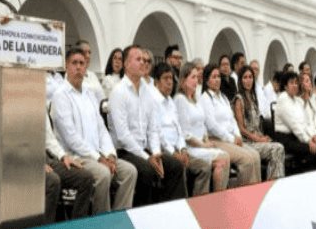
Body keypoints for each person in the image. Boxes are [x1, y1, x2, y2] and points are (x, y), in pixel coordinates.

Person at [51, 48, 136, 214]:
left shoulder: (89, 94)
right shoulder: (60, 95)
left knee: (129, 172)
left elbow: (101, 129)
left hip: (99, 154)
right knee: (103, 174)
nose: (78, 67)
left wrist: (110, 154)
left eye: (81, 63)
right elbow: (71, 138)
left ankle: (119, 218)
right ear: (66, 66)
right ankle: (101, 222)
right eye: (74, 63)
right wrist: (99, 158)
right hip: (77, 157)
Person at [108, 45, 186, 206]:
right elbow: (123, 136)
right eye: (138, 59)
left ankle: (169, 211)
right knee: (147, 171)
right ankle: (143, 217)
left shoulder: (147, 92)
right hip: (125, 151)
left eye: (144, 60)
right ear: (126, 64)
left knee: (175, 166)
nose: (143, 63)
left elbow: (153, 128)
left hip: (146, 150)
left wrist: (156, 153)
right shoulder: (118, 92)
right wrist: (148, 158)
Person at [152, 62, 213, 196]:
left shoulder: (171, 102)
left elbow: (179, 131)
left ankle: (200, 204)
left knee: (204, 166)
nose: (169, 83)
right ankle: (183, 205)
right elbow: (158, 133)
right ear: (156, 81)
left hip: (179, 149)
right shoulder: (153, 102)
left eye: (171, 79)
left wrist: (183, 149)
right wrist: (174, 153)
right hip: (164, 150)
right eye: (165, 78)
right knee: (180, 167)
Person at [200, 63, 262, 186]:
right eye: (213, 77)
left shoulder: (223, 97)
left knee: (255, 156)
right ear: (207, 81)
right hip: (217, 140)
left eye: (218, 76)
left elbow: (232, 120)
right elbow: (212, 125)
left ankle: (256, 194)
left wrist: (237, 136)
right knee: (247, 160)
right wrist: (231, 138)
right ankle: (243, 195)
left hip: (231, 139)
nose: (217, 80)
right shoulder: (205, 98)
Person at [175, 62, 230, 191]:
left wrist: (206, 140)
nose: (196, 81)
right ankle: (215, 198)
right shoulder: (180, 99)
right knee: (223, 158)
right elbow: (185, 134)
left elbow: (203, 125)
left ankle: (218, 197)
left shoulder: (195, 99)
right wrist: (203, 145)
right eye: (192, 77)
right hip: (191, 148)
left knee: (223, 158)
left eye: (196, 77)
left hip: (201, 145)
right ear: (183, 79)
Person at [233, 65, 285, 180]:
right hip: (247, 142)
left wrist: (262, 137)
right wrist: (258, 139)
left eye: (250, 77)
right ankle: (272, 185)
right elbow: (241, 129)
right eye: (245, 77)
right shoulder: (238, 99)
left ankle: (276, 182)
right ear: (240, 80)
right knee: (276, 149)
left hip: (257, 139)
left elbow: (256, 124)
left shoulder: (253, 97)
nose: (248, 80)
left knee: (278, 147)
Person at [273, 71, 316, 171]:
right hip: (284, 138)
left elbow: (304, 123)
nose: (295, 85)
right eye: (291, 83)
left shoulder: (296, 100)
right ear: (285, 86)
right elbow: (294, 125)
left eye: (296, 83)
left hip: (295, 136)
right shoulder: (283, 99)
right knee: (312, 150)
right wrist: (307, 140)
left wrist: (312, 136)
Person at [44, 112, 93, 221]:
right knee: (53, 180)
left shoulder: (39, 104)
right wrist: (32, 163)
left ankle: (76, 227)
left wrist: (63, 156)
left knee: (85, 177)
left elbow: (49, 139)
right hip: (23, 163)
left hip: (46, 158)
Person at [75, 39, 105, 103]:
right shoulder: (72, 75)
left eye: (89, 52)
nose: (88, 56)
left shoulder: (93, 75)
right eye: (85, 52)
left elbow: (102, 97)